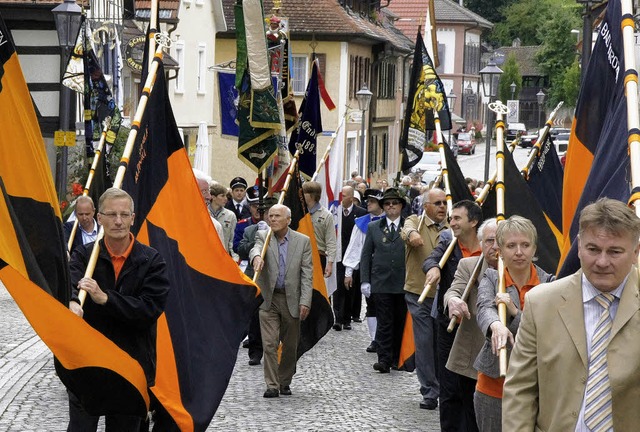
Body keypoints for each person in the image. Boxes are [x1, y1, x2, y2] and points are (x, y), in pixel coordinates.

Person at [503, 198, 640, 431]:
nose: (602, 261)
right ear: (578, 247)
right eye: (593, 249)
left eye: (615, 252)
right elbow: (520, 391)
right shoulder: (541, 303)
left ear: (636, 252)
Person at [67, 188, 170, 431]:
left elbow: (149, 309)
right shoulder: (83, 255)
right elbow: (69, 286)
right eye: (111, 214)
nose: (118, 221)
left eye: (124, 215)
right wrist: (72, 302)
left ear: (133, 218)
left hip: (131, 363)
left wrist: (106, 299)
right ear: (98, 218)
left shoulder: (151, 260)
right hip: (88, 362)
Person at [474, 216, 554, 431]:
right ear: (500, 250)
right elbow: (484, 308)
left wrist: (514, 312)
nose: (519, 252)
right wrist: (496, 326)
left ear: (534, 248)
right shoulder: (491, 278)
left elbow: (541, 332)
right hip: (493, 385)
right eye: (511, 246)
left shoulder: (549, 284)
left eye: (525, 245)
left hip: (536, 385)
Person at [423, 199, 482, 432]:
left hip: (477, 326)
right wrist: (434, 268)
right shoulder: (449, 241)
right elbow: (430, 259)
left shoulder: (489, 244)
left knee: (473, 385)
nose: (452, 222)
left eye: (457, 218)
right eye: (451, 218)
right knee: (449, 385)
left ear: (474, 221)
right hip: (448, 323)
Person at [250, 204, 313, 398]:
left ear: (288, 220)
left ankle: (284, 381)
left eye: (277, 216)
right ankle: (272, 384)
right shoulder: (264, 236)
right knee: (269, 344)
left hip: (291, 298)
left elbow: (307, 274)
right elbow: (256, 249)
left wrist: (305, 301)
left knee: (290, 345)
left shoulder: (303, 241)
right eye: (271, 216)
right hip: (269, 299)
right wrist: (256, 258)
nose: (273, 219)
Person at [445, 218, 499, 417]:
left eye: (500, 240)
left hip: (508, 359)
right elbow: (454, 291)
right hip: (473, 357)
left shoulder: (520, 269)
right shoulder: (469, 266)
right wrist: (452, 301)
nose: (495, 247)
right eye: (489, 241)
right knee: (471, 417)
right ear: (481, 243)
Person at [401, 188, 448, 410]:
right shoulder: (416, 221)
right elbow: (407, 229)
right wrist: (412, 235)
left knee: (442, 344)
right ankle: (430, 391)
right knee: (425, 342)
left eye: (444, 203)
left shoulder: (451, 228)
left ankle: (444, 386)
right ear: (426, 206)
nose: (442, 207)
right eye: (437, 203)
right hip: (418, 294)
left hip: (444, 297)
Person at [360, 188, 407, 373]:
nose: (391, 207)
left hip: (403, 282)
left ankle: (397, 358)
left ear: (401, 206)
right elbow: (366, 256)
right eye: (387, 204)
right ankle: (384, 359)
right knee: (384, 322)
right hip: (381, 282)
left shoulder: (409, 226)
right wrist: (365, 280)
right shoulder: (374, 227)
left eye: (394, 203)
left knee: (399, 321)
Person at [237, 195, 278, 366]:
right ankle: (255, 352)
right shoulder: (250, 230)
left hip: (276, 278)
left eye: (273, 213)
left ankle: (274, 348)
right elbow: (241, 249)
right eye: (267, 213)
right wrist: (257, 239)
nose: (270, 217)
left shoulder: (281, 230)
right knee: (255, 317)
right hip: (257, 277)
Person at [342, 188, 385, 352]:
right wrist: (349, 272)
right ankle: (375, 339)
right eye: (368, 201)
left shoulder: (389, 221)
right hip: (369, 269)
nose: (368, 204)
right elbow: (354, 247)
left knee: (386, 306)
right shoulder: (361, 222)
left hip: (386, 270)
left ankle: (385, 337)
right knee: (371, 305)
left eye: (372, 201)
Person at [333, 186, 367, 330]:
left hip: (354, 257)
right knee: (338, 287)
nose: (341, 198)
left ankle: (347, 318)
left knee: (350, 287)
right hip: (338, 255)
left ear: (352, 198)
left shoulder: (361, 214)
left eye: (344, 195)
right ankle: (338, 318)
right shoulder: (335, 213)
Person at [302, 181, 337, 278]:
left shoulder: (326, 215)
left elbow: (331, 241)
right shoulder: (300, 213)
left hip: (318, 256)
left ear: (313, 195)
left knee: (315, 290)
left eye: (304, 193)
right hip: (301, 255)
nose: (301, 195)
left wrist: (330, 263)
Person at [210, 181, 239, 261]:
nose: (225, 199)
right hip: (207, 254)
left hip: (223, 257)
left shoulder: (230, 215)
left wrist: (234, 257)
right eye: (222, 196)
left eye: (226, 196)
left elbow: (232, 238)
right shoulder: (204, 213)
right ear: (213, 197)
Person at [193, 169, 225, 243]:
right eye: (204, 191)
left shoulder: (214, 227)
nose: (209, 197)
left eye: (208, 191)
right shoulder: (169, 223)